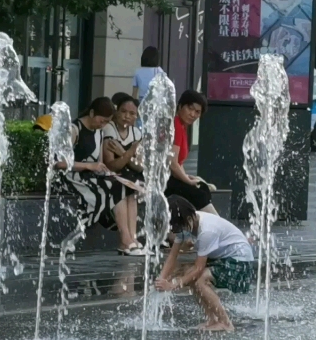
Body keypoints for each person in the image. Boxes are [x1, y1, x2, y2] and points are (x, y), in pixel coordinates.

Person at [56, 97, 145, 256]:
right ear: (91, 113)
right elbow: (59, 163)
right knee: (114, 188)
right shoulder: (74, 129)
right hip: (72, 176)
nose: (102, 125)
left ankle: (132, 238)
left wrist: (107, 172)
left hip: (91, 175)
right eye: (101, 121)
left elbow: (99, 163)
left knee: (126, 185)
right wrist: (88, 166)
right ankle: (125, 239)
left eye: (106, 122)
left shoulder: (98, 132)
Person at [154, 195, 255, 332]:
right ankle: (212, 320)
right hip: (224, 258)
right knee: (187, 273)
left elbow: (198, 268)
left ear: (189, 219)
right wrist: (161, 281)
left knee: (200, 279)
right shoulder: (186, 223)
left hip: (240, 262)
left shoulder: (207, 230)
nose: (179, 232)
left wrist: (172, 285)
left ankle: (225, 323)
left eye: (179, 228)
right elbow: (172, 256)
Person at [165, 90, 218, 214]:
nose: (193, 114)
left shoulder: (182, 126)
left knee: (202, 188)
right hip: (164, 181)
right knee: (198, 193)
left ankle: (211, 225)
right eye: (190, 108)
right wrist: (187, 181)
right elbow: (172, 163)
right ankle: (218, 225)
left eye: (197, 112)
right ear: (180, 106)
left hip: (170, 178)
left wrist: (187, 177)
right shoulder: (176, 124)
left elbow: (178, 163)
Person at [102, 93, 144, 183]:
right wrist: (130, 154)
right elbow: (111, 166)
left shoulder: (136, 133)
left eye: (132, 113)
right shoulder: (109, 129)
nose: (127, 116)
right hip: (114, 179)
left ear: (136, 117)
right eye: (123, 111)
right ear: (117, 112)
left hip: (133, 178)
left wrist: (122, 153)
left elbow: (140, 167)